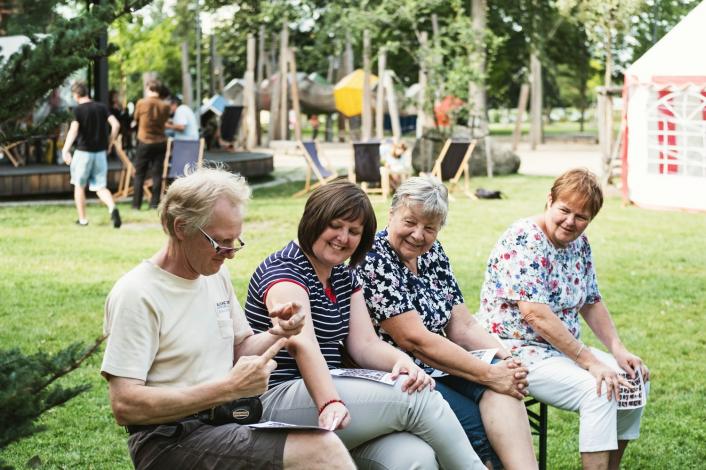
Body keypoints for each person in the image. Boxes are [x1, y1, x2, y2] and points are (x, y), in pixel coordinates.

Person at [101, 166, 355, 470]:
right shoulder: (138, 293)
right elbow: (124, 405)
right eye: (222, 242)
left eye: (236, 241)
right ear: (181, 228)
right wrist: (228, 390)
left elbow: (238, 349)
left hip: (226, 422)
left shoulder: (213, 274)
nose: (231, 253)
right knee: (321, 450)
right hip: (168, 441)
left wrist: (280, 332)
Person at [245, 179, 484, 470]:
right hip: (278, 396)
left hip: (329, 388)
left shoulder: (342, 276)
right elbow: (303, 345)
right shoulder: (286, 272)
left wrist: (404, 363)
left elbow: (365, 345)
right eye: (336, 225)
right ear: (313, 219)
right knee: (417, 399)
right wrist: (329, 402)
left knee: (413, 457)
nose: (343, 238)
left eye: (354, 231)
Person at [356, 175, 538, 470]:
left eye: (429, 228)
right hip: (402, 374)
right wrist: (491, 374)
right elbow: (415, 341)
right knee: (480, 423)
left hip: (439, 365)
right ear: (390, 215)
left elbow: (462, 326)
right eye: (409, 222)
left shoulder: (433, 253)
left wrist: (506, 358)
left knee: (504, 388)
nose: (418, 235)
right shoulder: (374, 258)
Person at [476, 168, 650, 470]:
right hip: (514, 350)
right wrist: (590, 362)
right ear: (549, 200)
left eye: (581, 217)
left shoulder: (579, 245)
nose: (570, 222)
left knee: (633, 381)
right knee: (599, 390)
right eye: (564, 210)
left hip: (560, 350)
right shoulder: (524, 238)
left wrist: (618, 350)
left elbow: (591, 300)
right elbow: (535, 314)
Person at [62, 81, 121, 228]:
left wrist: (65, 149)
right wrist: (110, 141)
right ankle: (112, 208)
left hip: (83, 152)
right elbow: (116, 124)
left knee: (79, 186)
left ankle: (83, 220)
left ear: (76, 95)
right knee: (100, 187)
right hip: (100, 153)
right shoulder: (101, 107)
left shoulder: (78, 110)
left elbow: (73, 130)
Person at [132, 79, 171, 210]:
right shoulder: (165, 106)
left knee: (139, 174)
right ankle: (154, 204)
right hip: (160, 142)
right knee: (157, 174)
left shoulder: (141, 103)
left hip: (144, 141)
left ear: (148, 88)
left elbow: (136, 118)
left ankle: (136, 205)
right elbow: (165, 120)